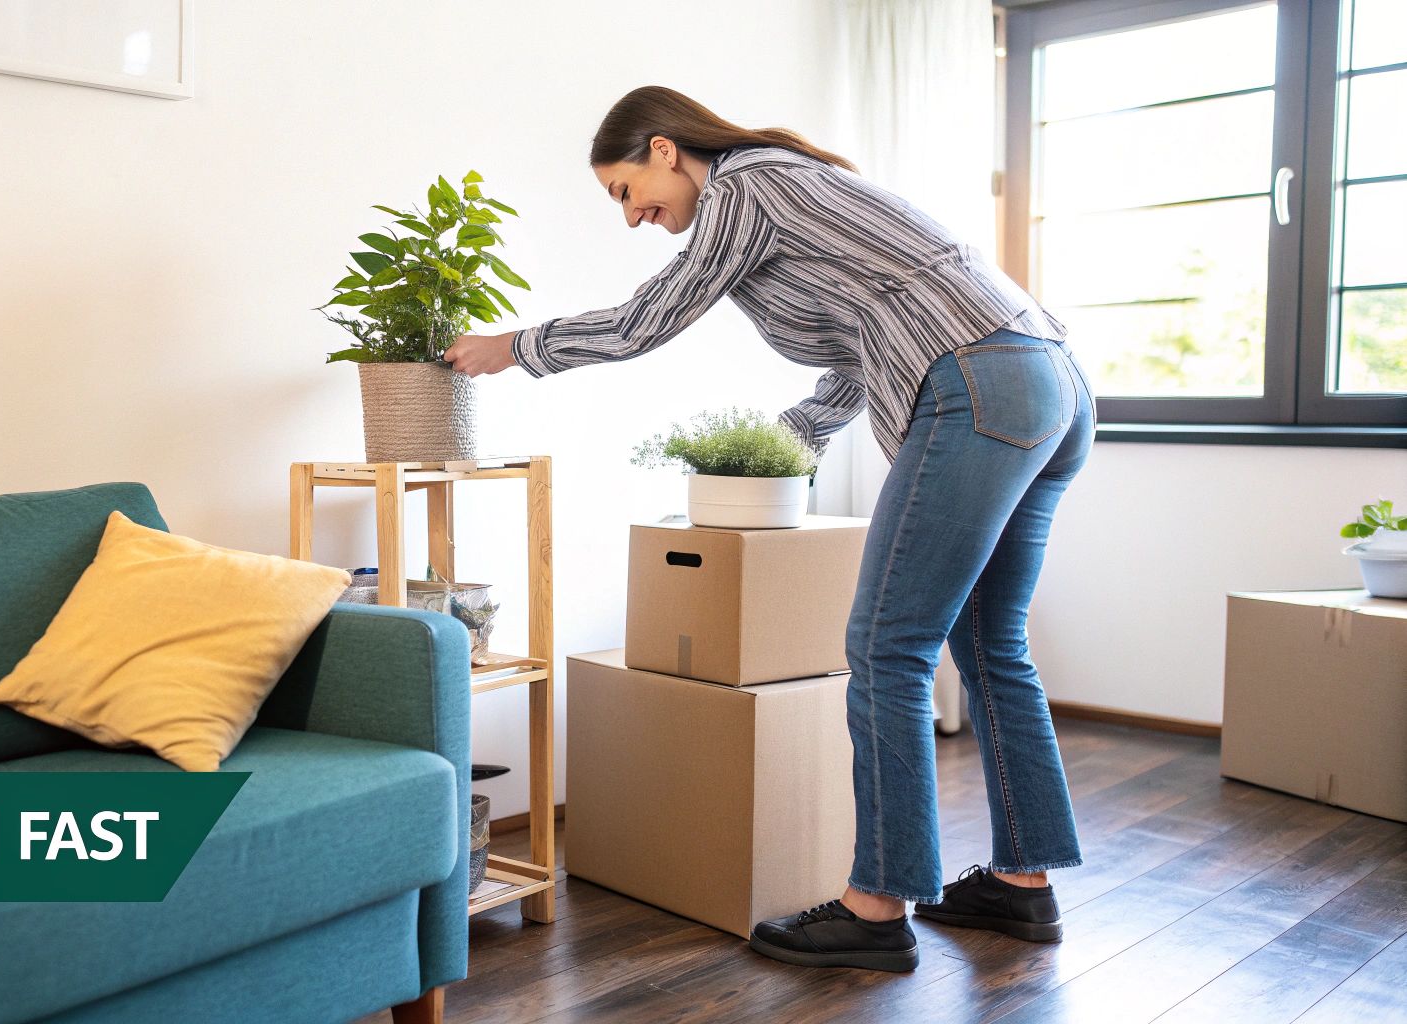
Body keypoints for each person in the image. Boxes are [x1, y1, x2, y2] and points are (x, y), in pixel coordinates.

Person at [444, 85, 1096, 973]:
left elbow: (650, 319)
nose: (633, 216)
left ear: (666, 150)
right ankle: (1023, 886)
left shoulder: (747, 186)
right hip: (1045, 378)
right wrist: (787, 441)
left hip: (982, 383)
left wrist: (516, 348)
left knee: (886, 646)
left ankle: (877, 905)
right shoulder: (785, 192)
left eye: (626, 191)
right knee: (989, 645)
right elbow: (869, 346)